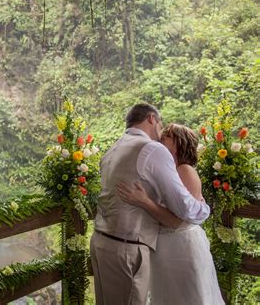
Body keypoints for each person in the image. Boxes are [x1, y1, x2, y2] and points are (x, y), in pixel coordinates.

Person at [90, 103, 210, 305]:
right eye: (161, 125)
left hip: (101, 242)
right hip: (127, 249)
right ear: (152, 118)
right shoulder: (152, 149)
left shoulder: (114, 148)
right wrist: (204, 209)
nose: (161, 133)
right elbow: (185, 209)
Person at [117, 124, 224, 305]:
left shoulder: (185, 170)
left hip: (181, 248)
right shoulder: (170, 170)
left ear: (179, 143)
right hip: (167, 248)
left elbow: (176, 222)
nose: (161, 137)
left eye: (167, 135)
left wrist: (144, 201)